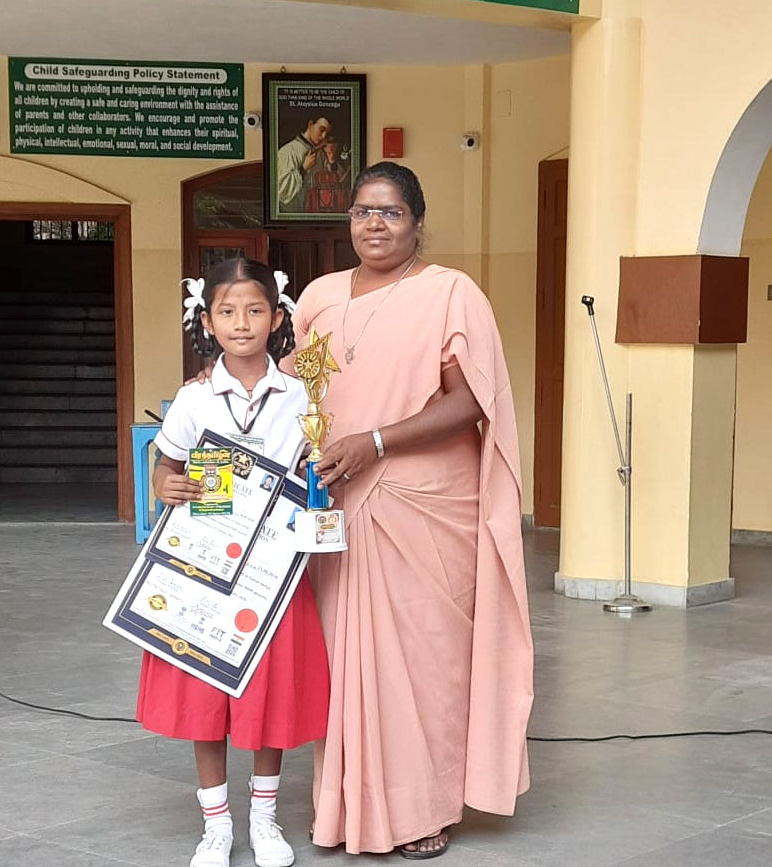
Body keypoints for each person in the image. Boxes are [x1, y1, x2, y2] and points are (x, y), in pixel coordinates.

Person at [288, 162, 534, 858]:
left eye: (391, 212)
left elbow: (467, 402)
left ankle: (424, 808)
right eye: (364, 210)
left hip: (422, 504)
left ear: (417, 223)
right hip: (337, 505)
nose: (374, 223)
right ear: (349, 221)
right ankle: (343, 808)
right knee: (342, 663)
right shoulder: (319, 298)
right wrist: (220, 385)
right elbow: (297, 389)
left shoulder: (451, 294)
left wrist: (374, 441)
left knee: (425, 662)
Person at [140, 258, 330, 867]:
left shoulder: (303, 394)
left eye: (254, 311)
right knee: (205, 692)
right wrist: (164, 486)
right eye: (227, 312)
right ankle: (216, 825)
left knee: (268, 694)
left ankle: (266, 820)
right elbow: (162, 469)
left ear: (277, 319)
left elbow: (321, 464)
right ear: (207, 321)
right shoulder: (195, 399)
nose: (241, 323)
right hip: (204, 568)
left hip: (274, 568)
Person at [277, 116, 331, 213]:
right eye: (321, 130)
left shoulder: (321, 154)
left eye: (327, 133)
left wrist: (332, 161)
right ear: (310, 124)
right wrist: (303, 169)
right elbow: (280, 190)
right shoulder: (288, 151)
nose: (323, 136)